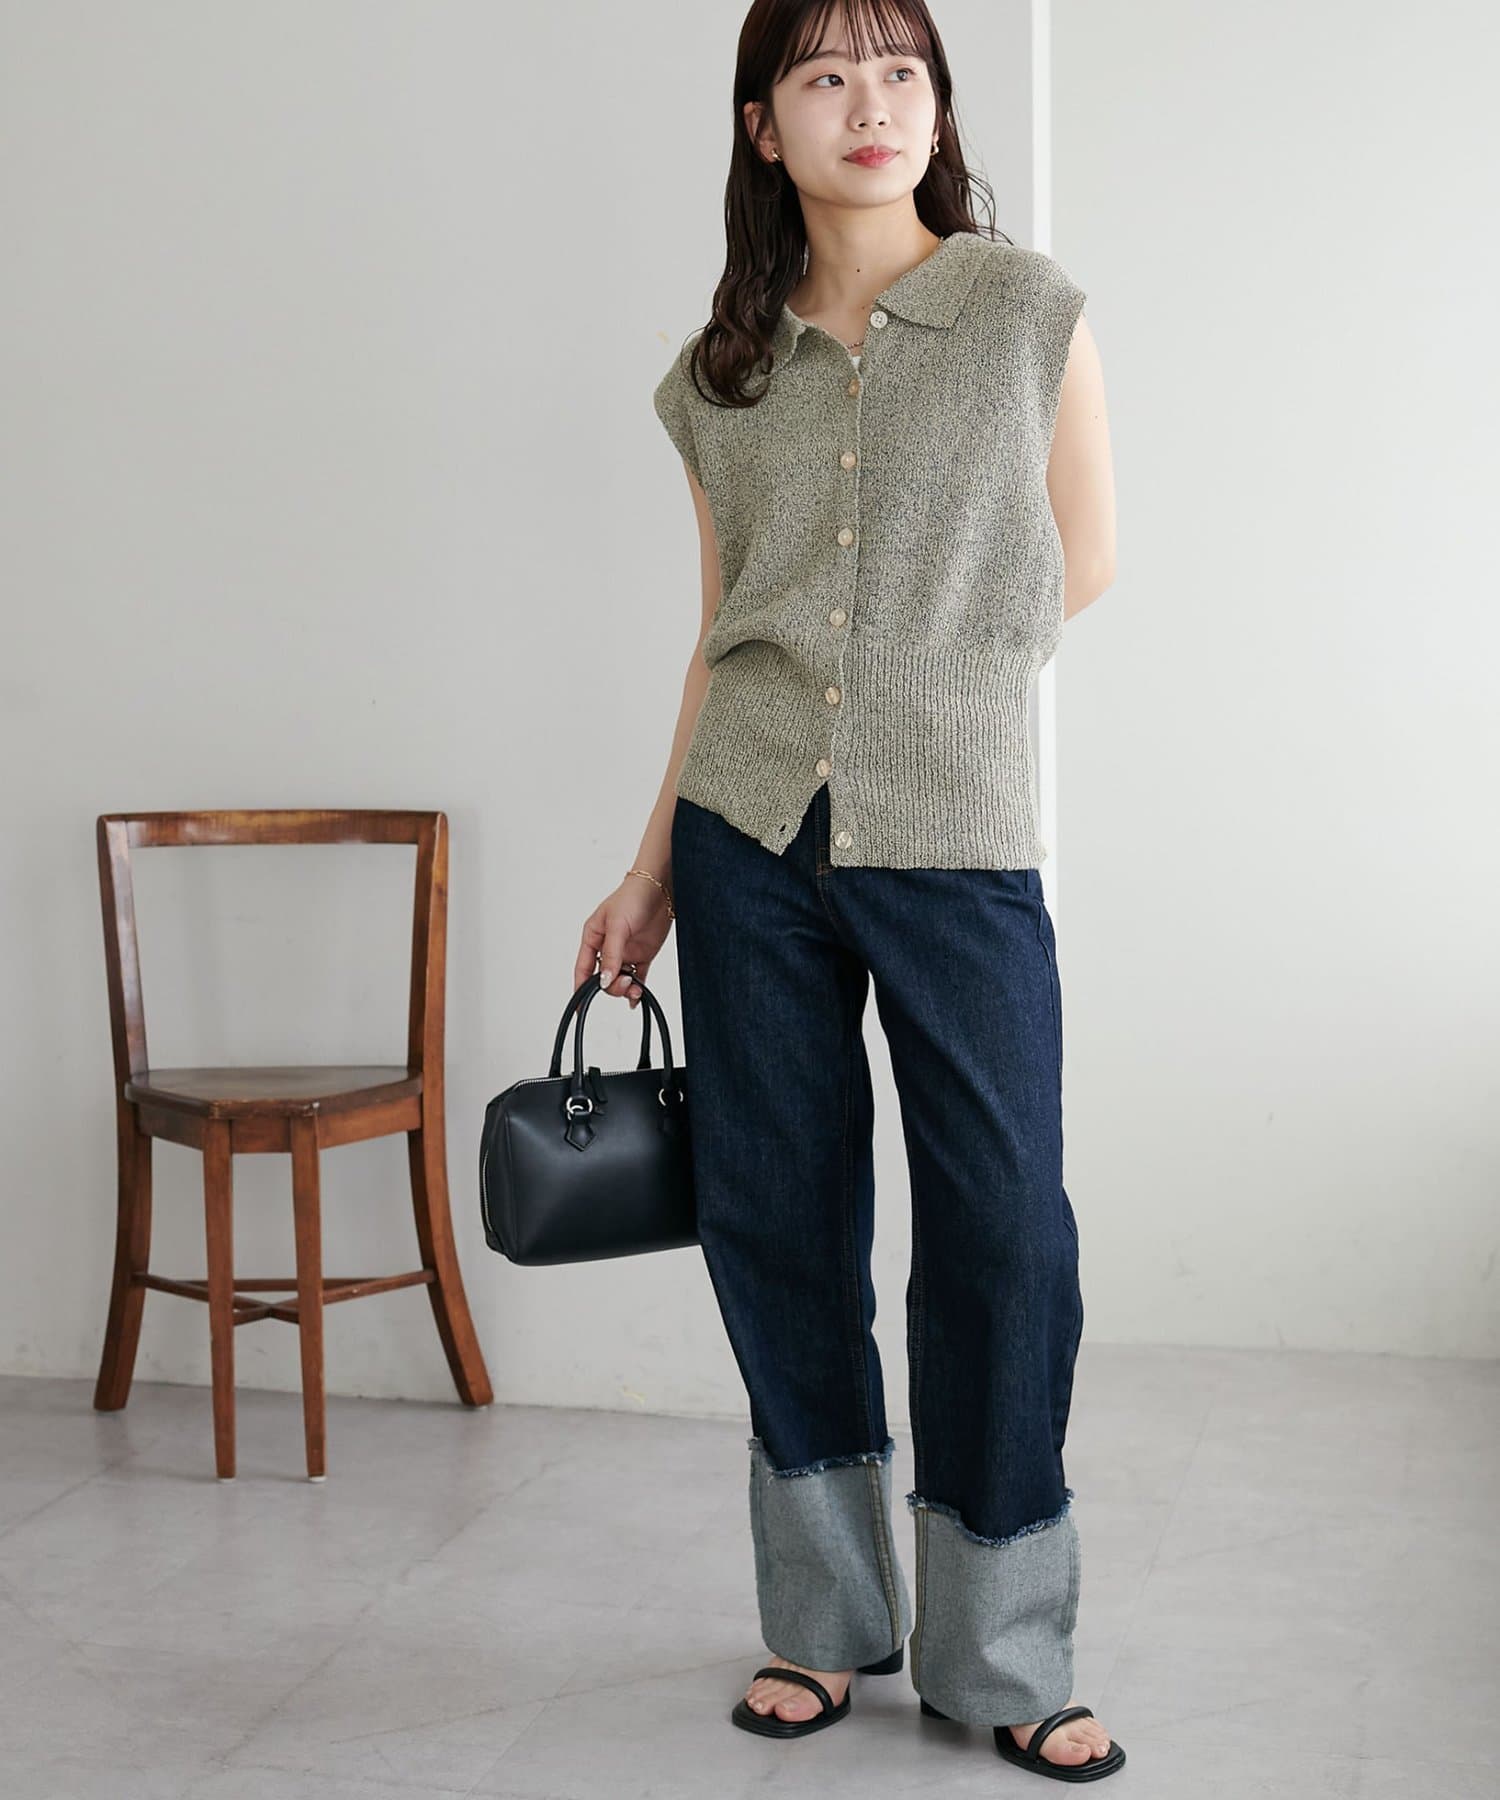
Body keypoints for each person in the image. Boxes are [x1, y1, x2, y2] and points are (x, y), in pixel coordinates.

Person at [574, 0, 1120, 1781]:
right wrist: (652, 868)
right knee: (778, 1218)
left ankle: (1002, 1651)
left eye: (900, 72)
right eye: (825, 76)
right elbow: (717, 633)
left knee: (1003, 1228)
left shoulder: (1026, 310)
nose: (869, 104)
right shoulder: (718, 374)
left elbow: (1085, 556)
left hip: (953, 825)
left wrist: (925, 678)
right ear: (765, 124)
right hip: (748, 832)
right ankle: (822, 1622)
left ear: (938, 107)